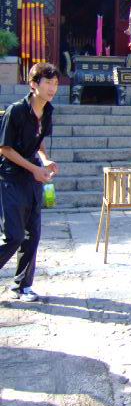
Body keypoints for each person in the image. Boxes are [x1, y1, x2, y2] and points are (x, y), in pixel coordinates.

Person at [0, 62, 60, 302]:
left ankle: (22, 287)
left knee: (32, 235)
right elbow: (5, 149)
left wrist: (45, 161)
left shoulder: (48, 112)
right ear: (34, 84)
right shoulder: (15, 111)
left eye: (55, 83)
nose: (52, 88)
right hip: (10, 178)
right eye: (48, 83)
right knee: (14, 236)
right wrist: (35, 168)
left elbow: (39, 143)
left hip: (32, 179)